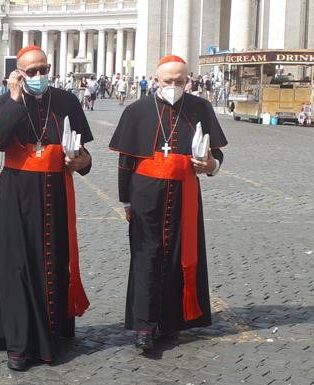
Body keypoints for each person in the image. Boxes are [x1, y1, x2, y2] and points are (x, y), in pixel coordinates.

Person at [0, 46, 93, 371]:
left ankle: (53, 333)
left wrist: (83, 161)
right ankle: (19, 345)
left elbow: (82, 155)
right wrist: (16, 100)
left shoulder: (67, 101)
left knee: (54, 262)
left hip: (55, 193)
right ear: (18, 74)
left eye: (43, 69)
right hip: (15, 193)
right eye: (31, 72)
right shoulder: (6, 101)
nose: (38, 76)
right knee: (15, 266)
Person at [108, 55, 228, 352]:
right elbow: (126, 161)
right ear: (156, 80)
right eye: (167, 81)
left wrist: (211, 164)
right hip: (145, 195)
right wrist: (125, 201)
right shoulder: (137, 111)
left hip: (185, 194)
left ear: (188, 80)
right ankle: (144, 326)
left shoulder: (201, 108)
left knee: (179, 257)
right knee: (146, 257)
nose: (173, 86)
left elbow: (216, 157)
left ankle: (171, 324)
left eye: (179, 81)